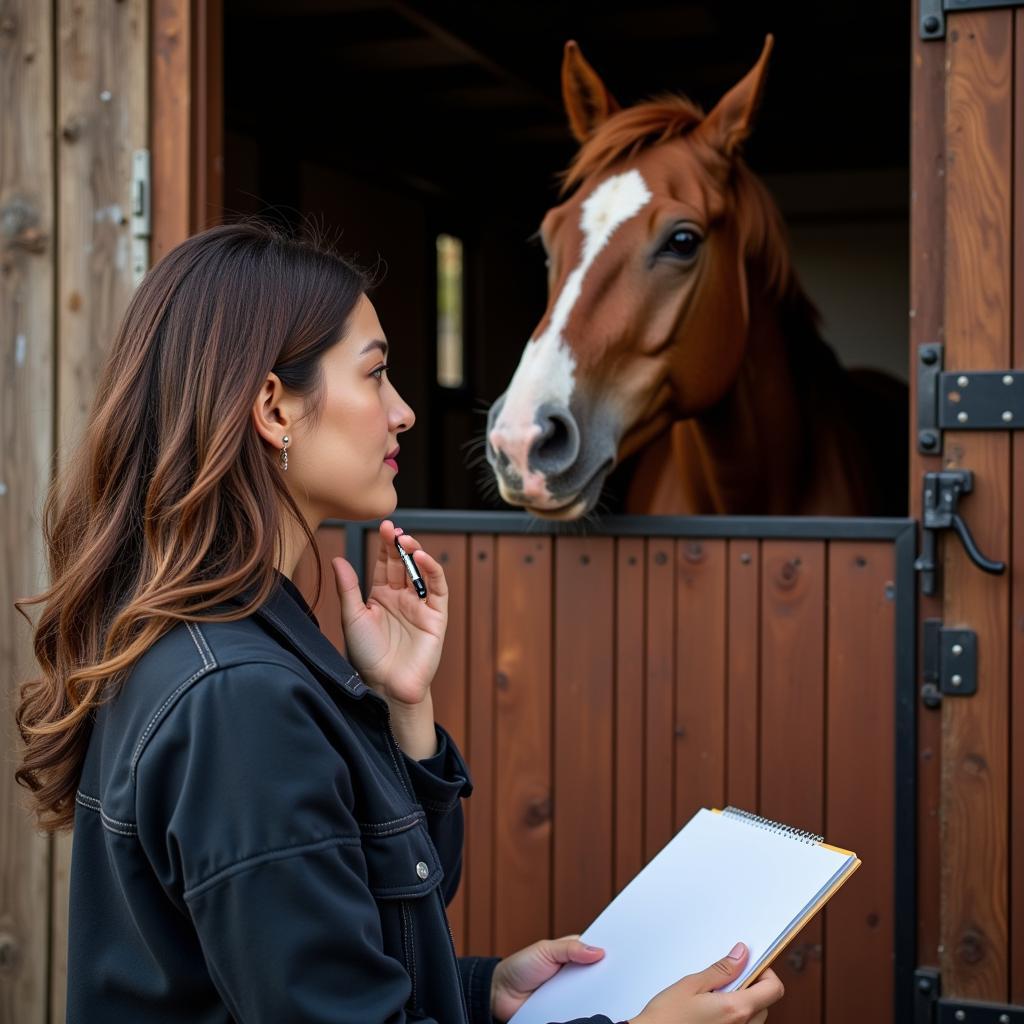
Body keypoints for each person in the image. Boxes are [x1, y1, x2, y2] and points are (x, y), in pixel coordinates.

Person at [14, 222, 785, 1024]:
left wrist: (480, 984)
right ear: (274, 408)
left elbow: (342, 938)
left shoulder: (219, 646)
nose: (405, 412)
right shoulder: (238, 698)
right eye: (376, 375)